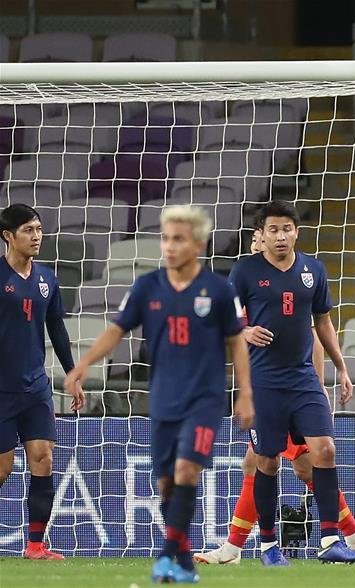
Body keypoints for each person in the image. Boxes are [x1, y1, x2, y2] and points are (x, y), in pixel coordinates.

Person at [64, 205, 254, 583]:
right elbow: (116, 330)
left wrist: (245, 393)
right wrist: (83, 365)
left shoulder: (218, 289)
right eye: (166, 238)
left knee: (187, 469)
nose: (169, 246)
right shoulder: (147, 286)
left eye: (178, 239)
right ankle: (182, 559)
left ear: (198, 244)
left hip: (205, 398)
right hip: (164, 398)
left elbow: (237, 343)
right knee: (166, 481)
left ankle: (167, 556)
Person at [195, 229, 355, 565]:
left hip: (294, 390)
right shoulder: (248, 295)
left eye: (258, 241)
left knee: (304, 467)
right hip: (266, 391)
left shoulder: (288, 285)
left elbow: (313, 335)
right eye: (253, 243)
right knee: (259, 462)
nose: (254, 248)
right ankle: (235, 548)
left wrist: (318, 387)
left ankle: (351, 536)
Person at [0, 204, 84, 560]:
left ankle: (35, 546)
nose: (36, 236)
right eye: (28, 230)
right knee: (2, 468)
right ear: (8, 236)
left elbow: (57, 329)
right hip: (1, 388)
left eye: (38, 229)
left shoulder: (47, 278)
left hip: (35, 387)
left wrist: (72, 372)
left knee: (43, 457)